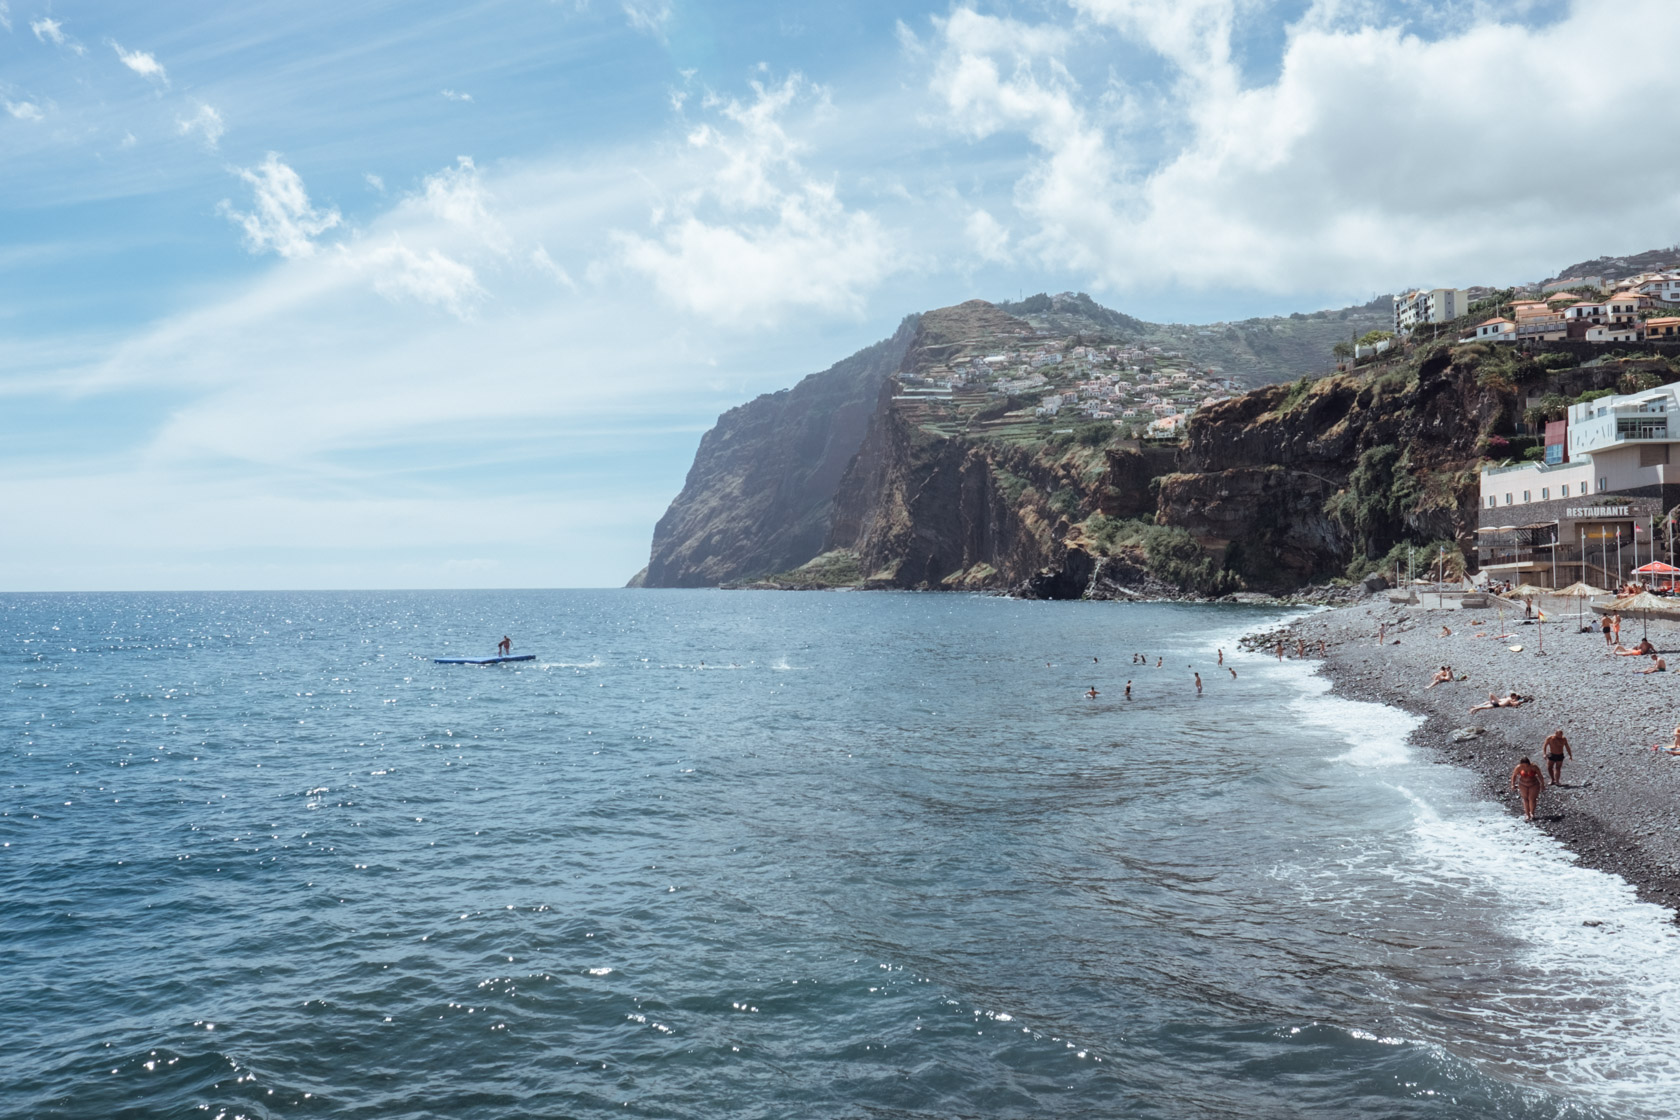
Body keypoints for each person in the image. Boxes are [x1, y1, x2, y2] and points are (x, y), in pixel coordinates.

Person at [1511, 757, 1544, 821]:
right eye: (1523, 765)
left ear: (1529, 764)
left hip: (1533, 784)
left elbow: (1540, 775)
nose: (1525, 767)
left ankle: (1532, 813)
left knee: (1532, 799)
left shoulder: (1534, 767)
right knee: (1525, 799)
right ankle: (1527, 814)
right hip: (1523, 784)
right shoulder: (1519, 767)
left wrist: (1542, 784)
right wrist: (1512, 784)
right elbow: (1514, 775)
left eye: (1526, 765)